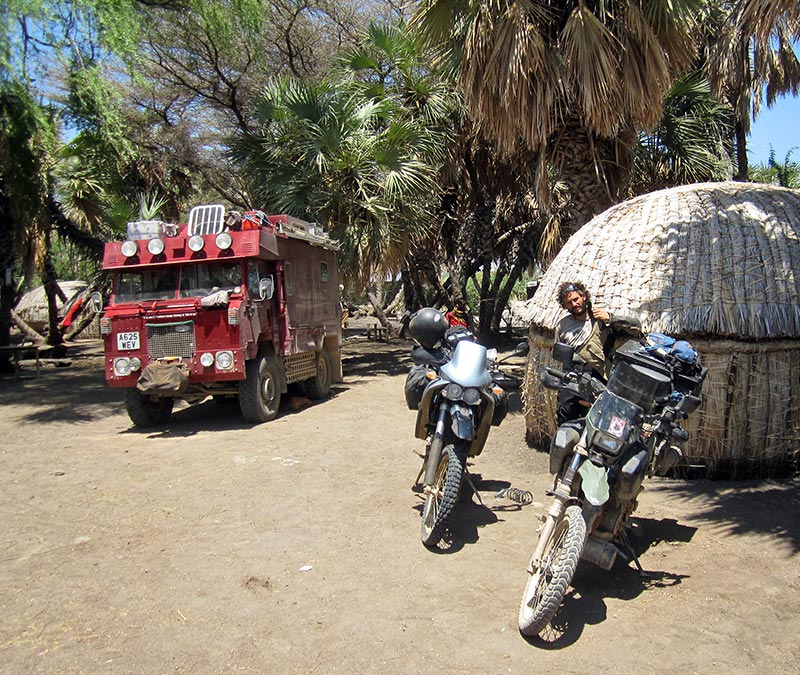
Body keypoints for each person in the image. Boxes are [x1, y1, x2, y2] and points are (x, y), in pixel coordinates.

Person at [554, 281, 640, 424]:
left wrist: (612, 319)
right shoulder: (562, 326)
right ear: (564, 306)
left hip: (599, 375)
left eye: (576, 299)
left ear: (584, 296)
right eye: (569, 302)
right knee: (565, 413)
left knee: (602, 418)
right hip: (573, 375)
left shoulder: (601, 319)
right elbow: (560, 352)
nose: (574, 304)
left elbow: (636, 327)